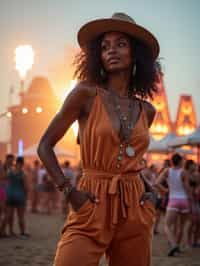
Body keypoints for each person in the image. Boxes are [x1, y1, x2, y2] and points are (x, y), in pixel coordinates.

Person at [38, 12, 160, 266]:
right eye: (104, 47)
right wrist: (69, 191)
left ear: (136, 53)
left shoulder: (147, 110)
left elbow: (129, 157)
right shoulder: (85, 94)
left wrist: (150, 192)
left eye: (120, 44)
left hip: (135, 206)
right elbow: (44, 146)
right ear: (97, 56)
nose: (111, 51)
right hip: (90, 201)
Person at [155, 153, 192, 256]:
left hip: (173, 200)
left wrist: (165, 190)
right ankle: (177, 247)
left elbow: (156, 183)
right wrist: (191, 201)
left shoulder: (167, 171)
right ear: (180, 161)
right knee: (181, 226)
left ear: (171, 161)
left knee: (167, 225)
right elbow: (187, 189)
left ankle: (173, 245)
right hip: (184, 200)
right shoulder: (184, 172)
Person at [6, 156, 30, 238]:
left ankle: (11, 231)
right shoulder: (23, 173)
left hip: (10, 195)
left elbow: (6, 182)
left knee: (10, 215)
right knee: (20, 216)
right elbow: (26, 187)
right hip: (20, 196)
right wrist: (26, 196)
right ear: (22, 163)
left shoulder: (10, 172)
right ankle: (22, 232)